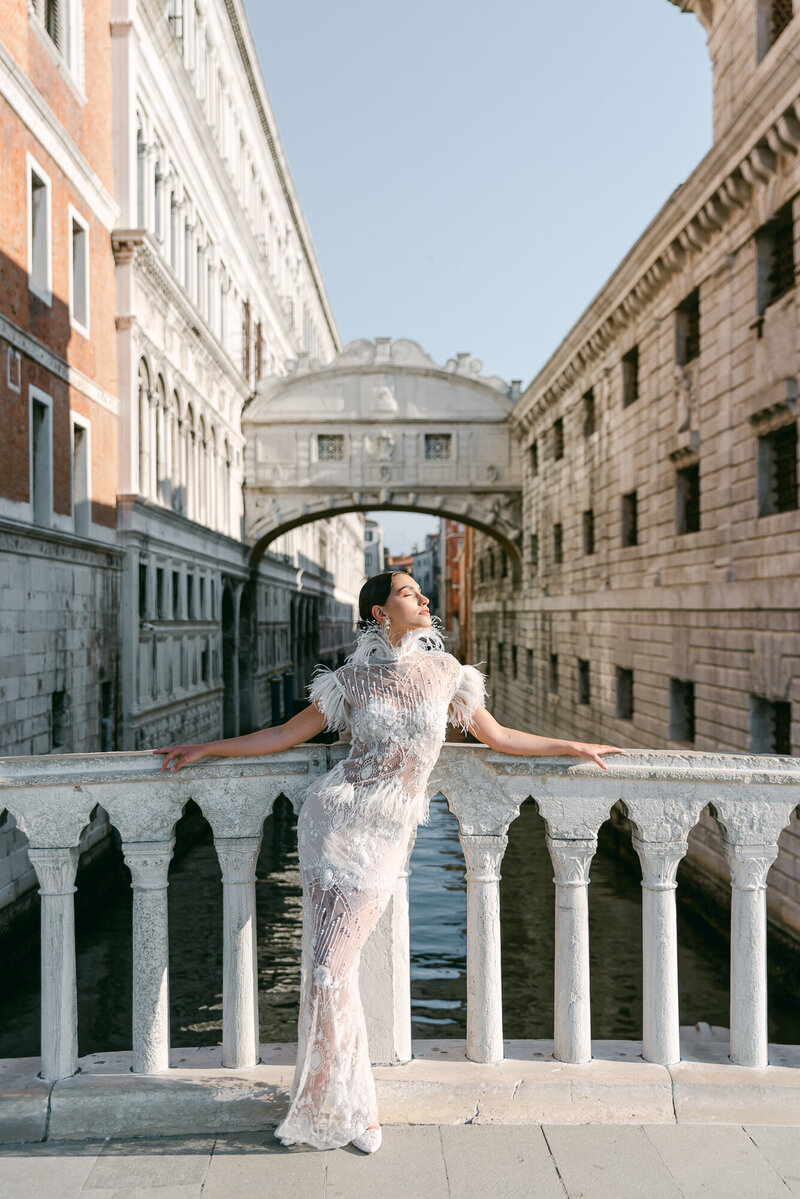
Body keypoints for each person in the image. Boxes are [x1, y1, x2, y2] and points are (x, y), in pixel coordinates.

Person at [154, 570, 625, 1154]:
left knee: (329, 969)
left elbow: (498, 738)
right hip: (331, 822)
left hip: (384, 834)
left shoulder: (448, 674)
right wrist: (208, 747)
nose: (424, 599)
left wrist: (572, 745)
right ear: (380, 612)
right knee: (325, 969)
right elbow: (285, 733)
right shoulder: (352, 679)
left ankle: (334, 1100)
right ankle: (350, 1107)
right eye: (408, 593)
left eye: (420, 592)